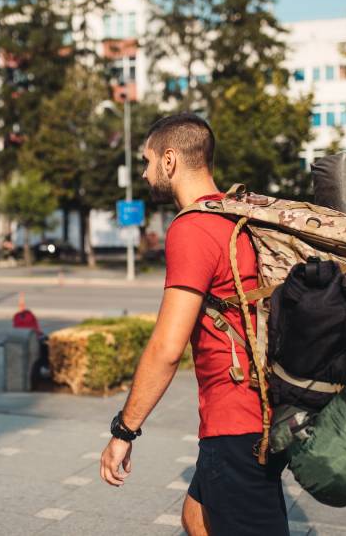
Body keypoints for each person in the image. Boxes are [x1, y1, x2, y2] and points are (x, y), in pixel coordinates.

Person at [99, 113, 289, 535]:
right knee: (196, 516)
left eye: (148, 162)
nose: (146, 174)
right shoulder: (234, 218)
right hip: (258, 412)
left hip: (238, 423)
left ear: (170, 160)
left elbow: (167, 348)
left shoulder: (192, 229)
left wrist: (124, 430)